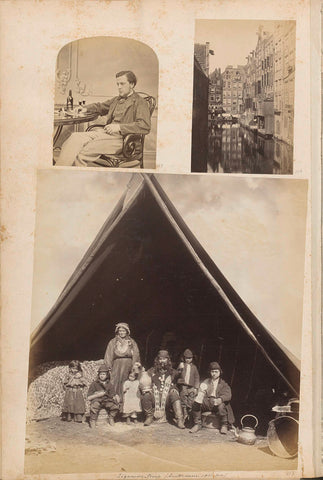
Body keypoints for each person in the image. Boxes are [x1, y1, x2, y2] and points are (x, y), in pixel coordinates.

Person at [56, 70, 151, 167]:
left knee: (82, 152)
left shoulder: (140, 102)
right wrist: (85, 108)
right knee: (74, 137)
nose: (119, 87)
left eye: (122, 84)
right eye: (117, 84)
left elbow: (144, 126)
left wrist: (119, 127)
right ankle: (58, 171)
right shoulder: (116, 100)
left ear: (132, 84)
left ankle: (74, 177)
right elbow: (100, 106)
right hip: (105, 133)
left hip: (123, 140)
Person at [140, 350, 185, 429]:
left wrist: (174, 388)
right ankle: (149, 416)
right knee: (146, 395)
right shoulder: (152, 371)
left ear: (168, 360)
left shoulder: (172, 372)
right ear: (157, 360)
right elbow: (144, 379)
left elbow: (178, 381)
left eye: (164, 359)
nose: (162, 361)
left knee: (174, 395)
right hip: (155, 396)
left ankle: (179, 419)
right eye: (160, 359)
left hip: (167, 397)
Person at [190, 361, 235, 434]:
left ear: (220, 372)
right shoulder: (206, 381)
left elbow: (228, 394)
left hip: (217, 403)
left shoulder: (223, 383)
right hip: (208, 402)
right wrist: (200, 394)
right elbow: (202, 390)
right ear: (210, 372)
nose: (214, 374)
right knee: (195, 403)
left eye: (216, 372)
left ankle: (224, 425)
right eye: (212, 371)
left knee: (222, 406)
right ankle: (197, 424)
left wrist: (220, 399)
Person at [104, 322, 141, 401]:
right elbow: (108, 355)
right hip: (116, 366)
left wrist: (134, 367)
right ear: (117, 332)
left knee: (127, 382)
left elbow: (136, 354)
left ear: (127, 332)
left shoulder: (132, 342)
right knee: (115, 382)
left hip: (128, 365)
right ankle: (115, 402)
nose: (122, 333)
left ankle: (126, 403)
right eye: (120, 331)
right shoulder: (113, 342)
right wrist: (108, 367)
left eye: (123, 331)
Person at [177, 348, 200, 422]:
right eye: (186, 358)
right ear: (183, 358)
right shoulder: (182, 365)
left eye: (190, 358)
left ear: (192, 358)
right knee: (183, 398)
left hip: (191, 386)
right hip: (183, 385)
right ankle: (184, 414)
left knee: (191, 399)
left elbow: (197, 377)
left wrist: (196, 387)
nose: (188, 360)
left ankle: (189, 416)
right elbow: (177, 374)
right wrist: (180, 369)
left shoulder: (194, 367)